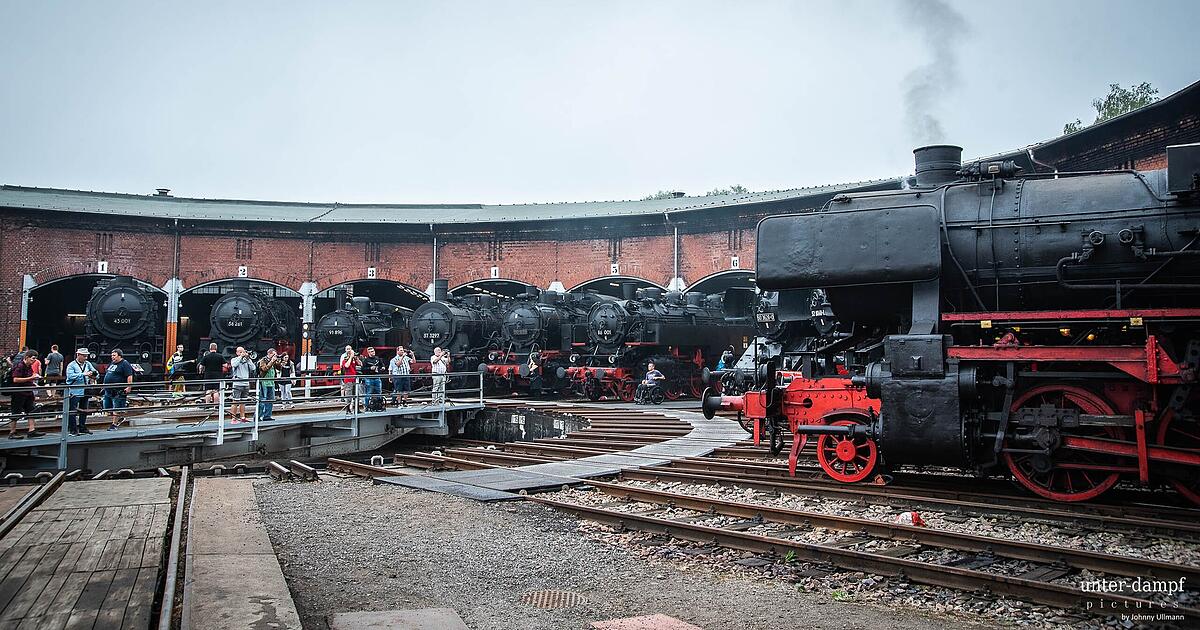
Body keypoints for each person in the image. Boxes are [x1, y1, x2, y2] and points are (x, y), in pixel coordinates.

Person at [8, 350, 45, 439]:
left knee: (31, 410)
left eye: (35, 359)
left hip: (27, 392)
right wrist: (31, 378)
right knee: (16, 412)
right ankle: (12, 432)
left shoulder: (29, 366)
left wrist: (34, 383)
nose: (34, 361)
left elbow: (29, 377)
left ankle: (31, 430)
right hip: (19, 392)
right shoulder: (20, 366)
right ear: (27, 357)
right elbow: (15, 379)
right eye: (32, 359)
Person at [65, 348, 97, 435]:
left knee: (84, 410)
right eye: (84, 356)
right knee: (73, 410)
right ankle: (73, 429)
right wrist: (84, 374)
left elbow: (96, 373)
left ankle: (82, 427)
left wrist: (94, 374)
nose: (86, 358)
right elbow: (70, 376)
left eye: (86, 356)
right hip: (74, 391)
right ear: (78, 355)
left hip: (85, 390)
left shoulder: (88, 364)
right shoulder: (71, 365)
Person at [103, 349, 135, 430]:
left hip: (118, 390)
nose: (112, 357)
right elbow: (108, 373)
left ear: (120, 356)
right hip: (108, 389)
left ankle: (114, 424)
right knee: (107, 407)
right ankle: (120, 417)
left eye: (114, 355)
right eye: (112, 355)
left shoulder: (125, 364)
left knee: (116, 406)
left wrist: (129, 387)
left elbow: (129, 375)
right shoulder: (112, 363)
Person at [198, 343, 226, 408]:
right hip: (218, 375)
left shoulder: (206, 356)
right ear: (216, 348)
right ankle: (216, 405)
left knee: (208, 391)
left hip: (208, 375)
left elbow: (201, 366)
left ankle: (207, 405)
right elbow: (225, 365)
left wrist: (200, 372)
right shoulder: (220, 356)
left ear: (210, 348)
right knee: (216, 391)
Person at [229, 346, 253, 423]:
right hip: (237, 383)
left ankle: (243, 417)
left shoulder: (247, 360)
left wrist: (248, 359)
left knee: (243, 402)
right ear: (237, 353)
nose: (242, 353)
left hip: (246, 383)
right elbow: (234, 365)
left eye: (243, 351)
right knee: (235, 401)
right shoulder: (234, 359)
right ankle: (233, 418)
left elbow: (253, 368)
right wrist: (240, 357)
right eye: (240, 352)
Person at [257, 348, 279, 421]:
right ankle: (257, 417)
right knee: (262, 400)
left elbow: (279, 368)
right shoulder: (263, 360)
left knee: (270, 400)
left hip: (271, 383)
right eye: (274, 354)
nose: (275, 356)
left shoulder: (274, 361)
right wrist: (271, 361)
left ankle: (267, 416)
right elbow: (264, 369)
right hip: (264, 382)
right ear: (269, 354)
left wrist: (278, 362)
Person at [339, 346, 360, 414]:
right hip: (348, 380)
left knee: (356, 394)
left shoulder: (353, 359)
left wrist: (356, 358)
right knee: (349, 396)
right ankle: (348, 410)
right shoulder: (344, 360)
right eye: (348, 349)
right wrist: (351, 357)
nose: (349, 350)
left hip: (355, 379)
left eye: (350, 349)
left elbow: (360, 364)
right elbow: (346, 366)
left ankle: (357, 409)